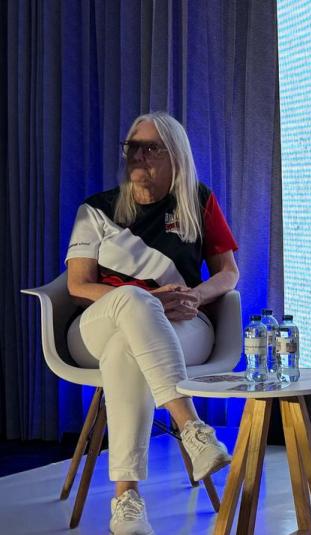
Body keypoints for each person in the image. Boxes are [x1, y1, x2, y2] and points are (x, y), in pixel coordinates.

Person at [64, 112, 238, 535]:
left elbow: (228, 273)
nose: (138, 156)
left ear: (176, 155)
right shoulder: (96, 210)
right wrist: (147, 298)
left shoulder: (198, 200)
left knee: (126, 350)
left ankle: (126, 500)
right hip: (98, 322)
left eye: (150, 148)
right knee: (133, 300)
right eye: (132, 147)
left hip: (182, 324)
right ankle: (192, 428)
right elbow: (77, 285)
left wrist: (196, 296)